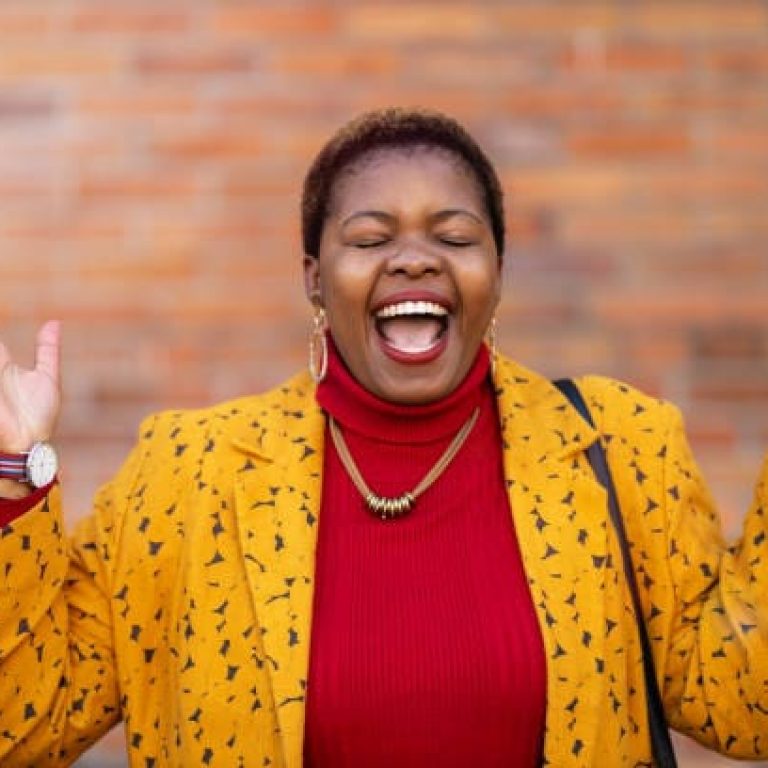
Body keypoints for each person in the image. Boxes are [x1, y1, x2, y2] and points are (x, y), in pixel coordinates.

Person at [0, 108, 765, 768]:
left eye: (455, 236)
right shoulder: (188, 476)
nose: (413, 257)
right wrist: (11, 476)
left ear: (496, 271)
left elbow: (744, 702)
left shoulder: (620, 446)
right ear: (314, 276)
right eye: (369, 239)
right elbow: (26, 724)